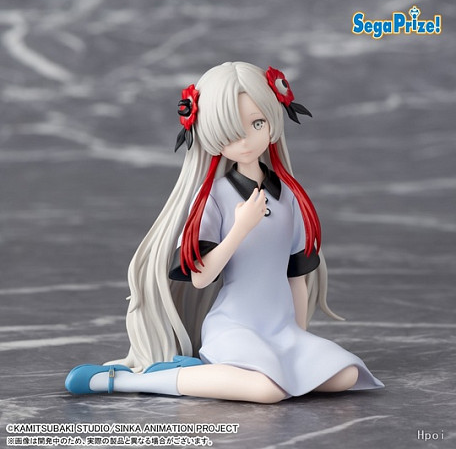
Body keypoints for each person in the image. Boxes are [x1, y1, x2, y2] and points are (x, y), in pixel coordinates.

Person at [65, 62, 384, 403]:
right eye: (231, 132)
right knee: (267, 390)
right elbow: (201, 277)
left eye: (257, 123)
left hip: (281, 328)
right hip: (234, 327)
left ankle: (211, 373)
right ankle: (127, 381)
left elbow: (296, 276)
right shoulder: (215, 197)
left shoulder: (289, 196)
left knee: (345, 375)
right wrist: (241, 228)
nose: (246, 140)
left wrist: (298, 336)